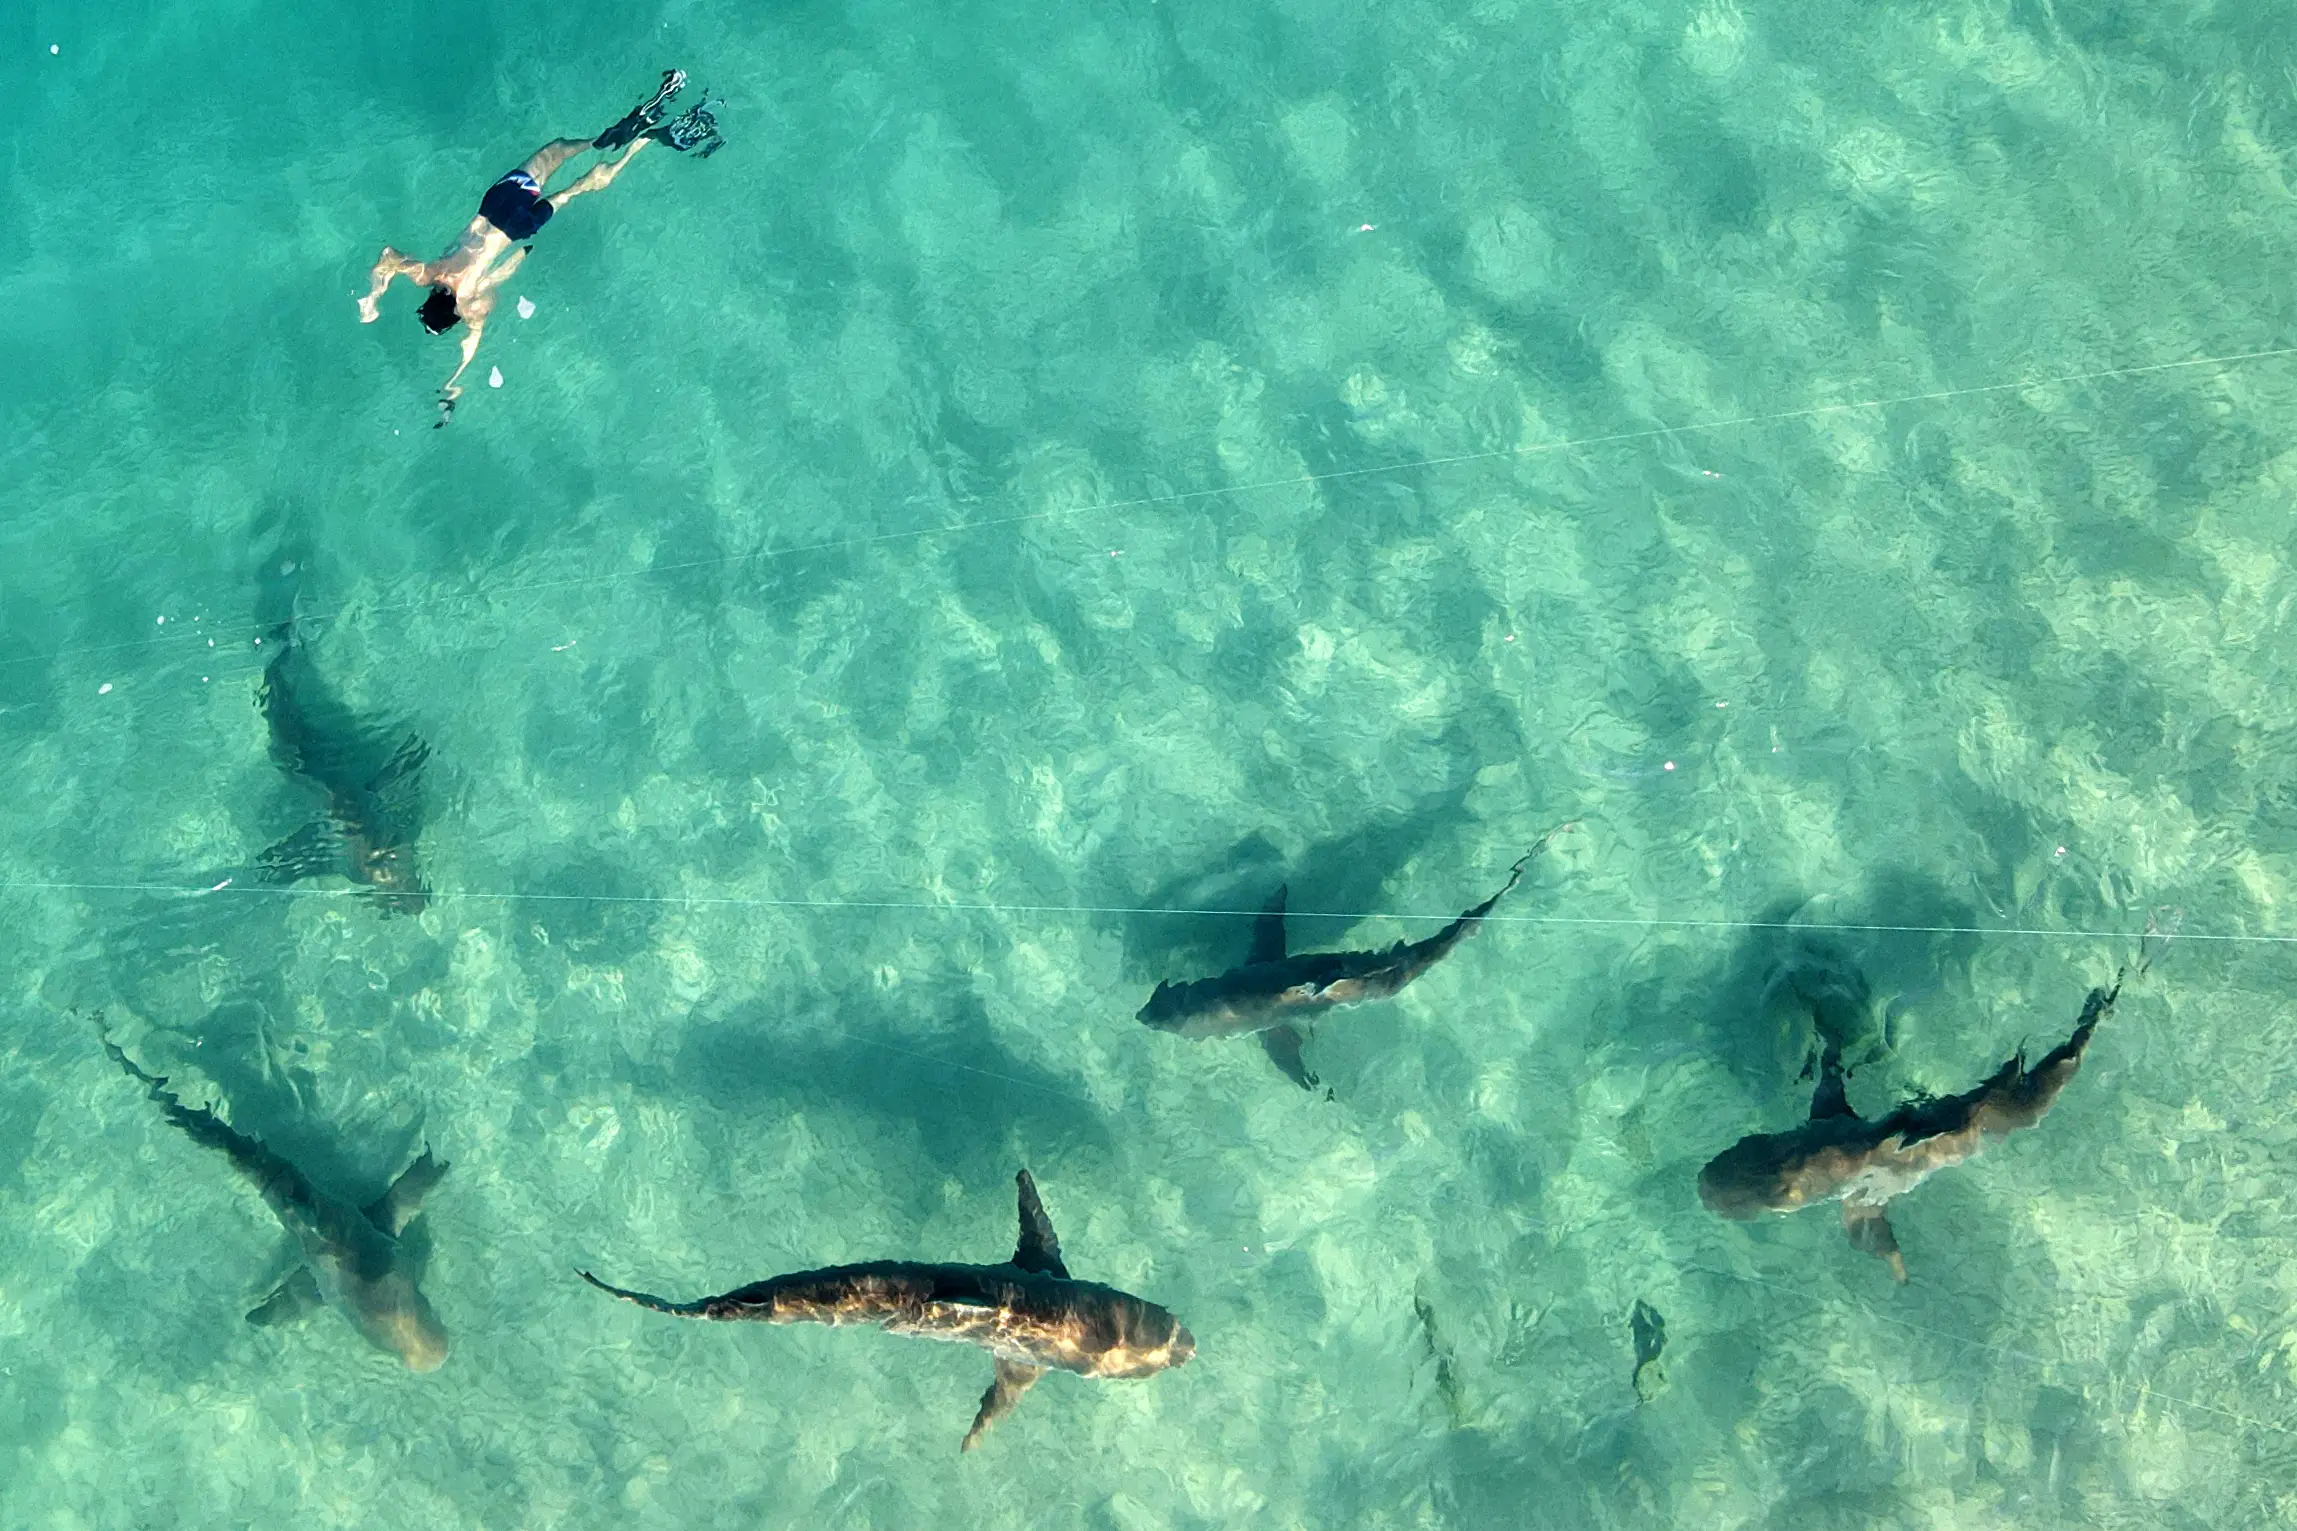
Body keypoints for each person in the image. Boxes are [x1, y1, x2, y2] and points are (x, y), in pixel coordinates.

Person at [357, 71, 724, 425]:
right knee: (560, 150)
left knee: (574, 191)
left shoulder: (470, 308)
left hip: (520, 229)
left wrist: (453, 387)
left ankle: (643, 144)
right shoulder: (432, 273)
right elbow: (389, 256)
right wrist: (375, 294)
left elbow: (471, 347)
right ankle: (620, 133)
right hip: (498, 207)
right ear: (431, 298)